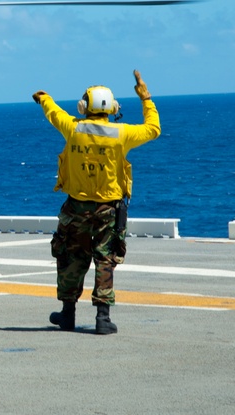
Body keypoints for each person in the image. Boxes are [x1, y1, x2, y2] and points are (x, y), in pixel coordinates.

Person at [32, 70, 161, 335]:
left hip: (76, 207)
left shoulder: (73, 128)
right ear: (113, 108)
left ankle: (68, 315)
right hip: (108, 210)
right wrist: (145, 97)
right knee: (105, 260)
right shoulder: (121, 133)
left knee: (71, 258)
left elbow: (54, 113)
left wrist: (44, 98)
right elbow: (153, 129)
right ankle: (103, 318)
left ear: (83, 107)